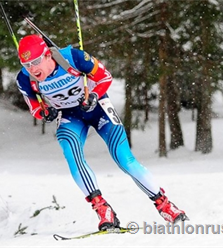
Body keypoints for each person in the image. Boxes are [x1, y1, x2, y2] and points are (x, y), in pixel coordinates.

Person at [15, 34, 188, 231]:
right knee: (72, 154)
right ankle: (103, 210)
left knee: (124, 158)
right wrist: (45, 112)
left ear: (47, 55)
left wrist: (94, 96)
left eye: (36, 62)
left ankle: (165, 206)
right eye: (26, 63)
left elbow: (105, 76)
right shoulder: (24, 78)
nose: (32, 69)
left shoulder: (74, 58)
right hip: (70, 117)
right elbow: (34, 107)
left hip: (97, 108)